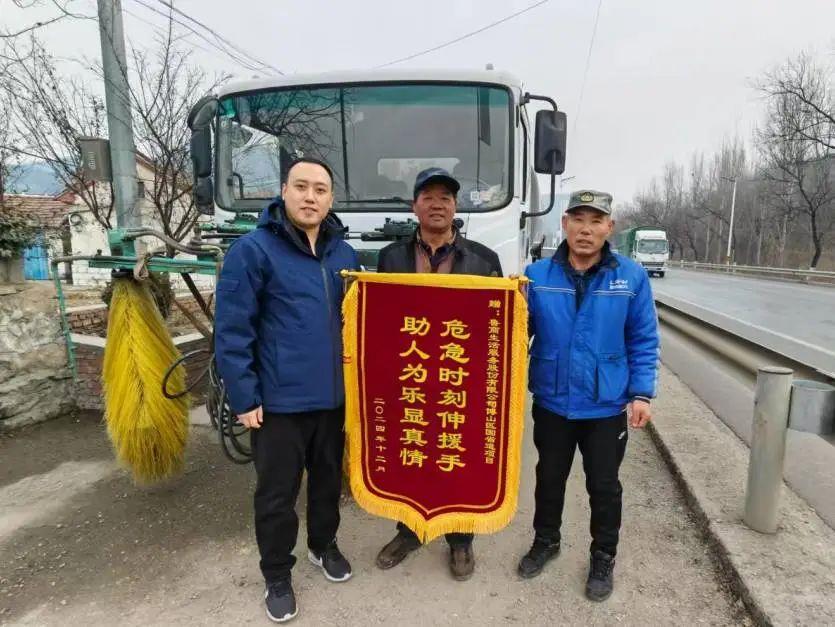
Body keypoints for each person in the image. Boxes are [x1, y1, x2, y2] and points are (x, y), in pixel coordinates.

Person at [214, 158, 358, 623]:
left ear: (331, 199)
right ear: (283, 191)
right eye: (301, 186)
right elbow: (232, 330)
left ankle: (323, 545)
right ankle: (277, 574)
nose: (310, 197)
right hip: (278, 403)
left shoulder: (344, 255)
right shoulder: (253, 251)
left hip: (333, 400)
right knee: (277, 494)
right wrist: (244, 396)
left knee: (327, 482)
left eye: (320, 189)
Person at [518, 189, 659, 602]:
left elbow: (643, 339)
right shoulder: (536, 276)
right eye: (578, 219)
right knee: (549, 477)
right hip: (553, 400)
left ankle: (603, 555)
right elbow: (513, 334)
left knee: (604, 485)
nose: (586, 229)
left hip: (605, 404)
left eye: (596, 221)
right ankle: (546, 540)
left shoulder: (630, 277)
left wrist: (641, 394)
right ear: (564, 224)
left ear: (609, 228)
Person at [374, 167, 503, 581]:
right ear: (414, 206)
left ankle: (460, 539)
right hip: (408, 377)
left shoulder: (484, 260)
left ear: (455, 206)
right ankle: (410, 531)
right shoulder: (390, 258)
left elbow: (496, 326)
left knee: (457, 458)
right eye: (428, 196)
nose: (437, 204)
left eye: (445, 198)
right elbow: (378, 321)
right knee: (411, 455)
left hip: (457, 380)